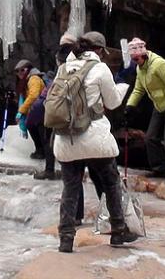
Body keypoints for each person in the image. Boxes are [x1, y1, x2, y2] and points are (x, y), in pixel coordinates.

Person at [53, 31, 138, 253]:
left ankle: (65, 238)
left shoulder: (64, 68)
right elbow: (113, 101)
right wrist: (123, 83)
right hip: (95, 138)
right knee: (111, 183)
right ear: (98, 50)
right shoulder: (100, 69)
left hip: (67, 138)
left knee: (70, 188)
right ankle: (119, 231)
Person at [124, 38, 165, 185]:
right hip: (159, 105)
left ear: (143, 55)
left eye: (136, 58)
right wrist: (129, 106)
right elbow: (139, 89)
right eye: (133, 59)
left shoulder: (159, 64)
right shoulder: (140, 68)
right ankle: (159, 168)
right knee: (150, 137)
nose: (135, 61)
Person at [33, 33, 76, 181]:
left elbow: (59, 81)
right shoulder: (79, 58)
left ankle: (50, 169)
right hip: (73, 105)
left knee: (49, 137)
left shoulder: (63, 56)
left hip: (57, 103)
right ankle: (69, 171)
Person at [15, 59, 47, 160]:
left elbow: (33, 96)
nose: (19, 73)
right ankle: (40, 151)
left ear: (28, 69)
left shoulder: (34, 79)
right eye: (17, 71)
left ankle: (43, 153)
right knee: (32, 127)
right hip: (36, 111)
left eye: (22, 70)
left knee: (41, 133)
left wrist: (21, 111)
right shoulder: (28, 80)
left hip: (41, 111)